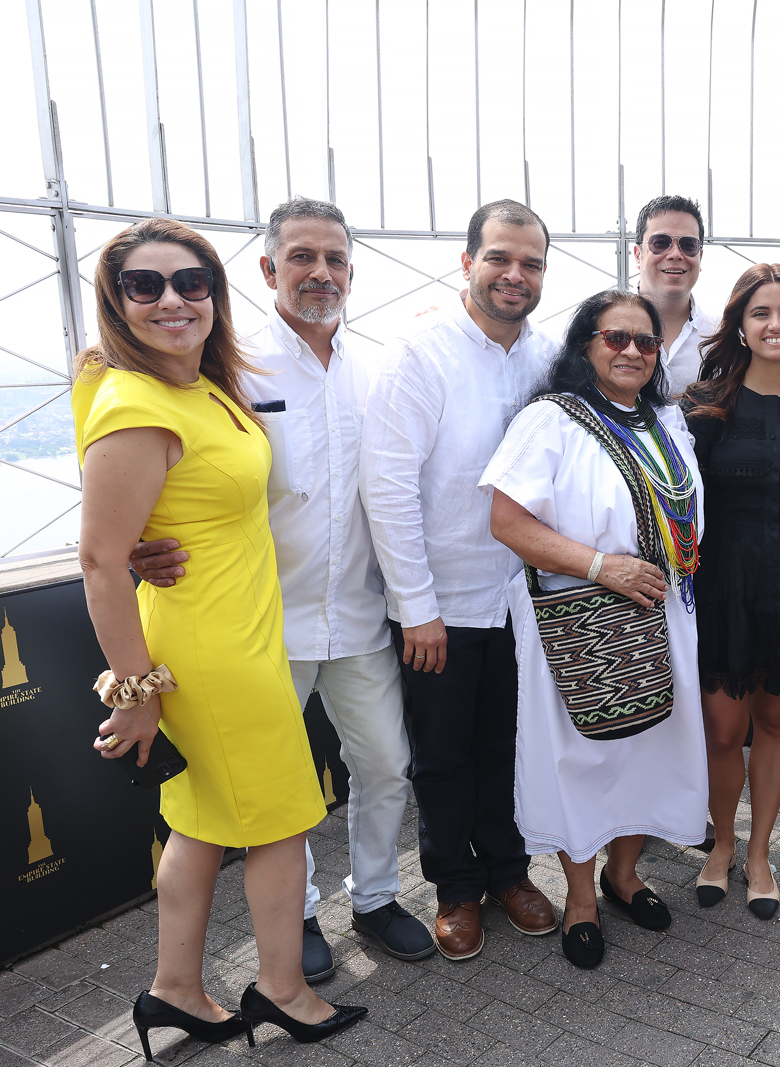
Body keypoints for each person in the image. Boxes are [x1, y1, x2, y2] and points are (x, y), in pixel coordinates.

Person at [74, 218, 365, 1055]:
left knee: (200, 822)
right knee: (279, 821)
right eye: (146, 284)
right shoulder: (134, 402)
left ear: (215, 293)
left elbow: (142, 518)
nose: (173, 299)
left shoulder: (200, 387)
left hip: (234, 633)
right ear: (116, 300)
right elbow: (98, 561)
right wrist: (135, 696)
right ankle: (282, 988)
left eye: (191, 281)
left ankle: (174, 990)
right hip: (211, 654)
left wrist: (142, 542)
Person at [130, 198, 435, 982]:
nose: (320, 273)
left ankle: (374, 897)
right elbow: (168, 460)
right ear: (268, 270)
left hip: (361, 615)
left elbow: (397, 489)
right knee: (278, 790)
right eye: (302, 257)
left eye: (334, 259)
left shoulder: (377, 370)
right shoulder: (228, 362)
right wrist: (133, 540)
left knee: (385, 764)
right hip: (262, 622)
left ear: (352, 273)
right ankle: (293, 915)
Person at [482, 290, 709, 968]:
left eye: (646, 341)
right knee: (582, 757)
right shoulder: (552, 420)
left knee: (649, 747)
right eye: (616, 338)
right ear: (585, 345)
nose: (633, 351)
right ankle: (581, 897)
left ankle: (624, 873)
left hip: (662, 612)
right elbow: (508, 522)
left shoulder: (665, 418)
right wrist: (601, 565)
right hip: (578, 619)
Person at [361, 200, 561, 961]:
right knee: (442, 755)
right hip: (437, 606)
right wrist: (416, 607)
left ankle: (511, 873)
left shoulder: (545, 358)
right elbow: (388, 488)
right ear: (467, 261)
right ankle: (455, 888)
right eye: (500, 258)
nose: (515, 274)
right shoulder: (418, 352)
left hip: (520, 600)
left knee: (509, 747)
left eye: (532, 262)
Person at [682, 264, 780, 920]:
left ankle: (758, 854)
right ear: (741, 327)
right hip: (724, 585)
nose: (776, 324)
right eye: (761, 313)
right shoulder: (704, 404)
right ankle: (719, 843)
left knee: (778, 721)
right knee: (724, 729)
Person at [634, 195, 718, 397]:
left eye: (688, 245)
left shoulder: (721, 337)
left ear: (700, 256)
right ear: (638, 255)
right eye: (660, 243)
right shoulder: (602, 330)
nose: (675, 254)